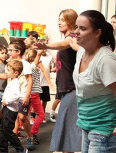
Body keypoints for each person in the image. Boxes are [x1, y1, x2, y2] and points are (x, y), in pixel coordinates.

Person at [73, 10, 116, 152]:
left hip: (106, 130)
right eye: (76, 27)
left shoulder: (105, 59)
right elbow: (67, 42)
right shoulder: (82, 50)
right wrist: (47, 46)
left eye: (83, 28)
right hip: (87, 125)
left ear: (97, 33)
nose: (76, 32)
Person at [34, 9, 82, 153]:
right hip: (66, 89)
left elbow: (66, 44)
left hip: (73, 89)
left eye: (62, 19)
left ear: (71, 21)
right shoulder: (69, 38)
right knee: (66, 130)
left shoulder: (73, 37)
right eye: (59, 19)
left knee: (67, 131)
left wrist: (47, 46)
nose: (59, 22)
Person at [0, 38, 34, 150]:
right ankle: (11, 137)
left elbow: (29, 80)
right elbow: (6, 75)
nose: (8, 53)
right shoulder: (9, 63)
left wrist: (27, 96)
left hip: (22, 95)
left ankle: (29, 137)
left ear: (18, 51)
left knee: (22, 117)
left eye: (10, 50)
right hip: (12, 97)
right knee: (13, 118)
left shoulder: (25, 64)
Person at [24, 48, 54, 145]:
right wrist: (39, 52)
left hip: (29, 93)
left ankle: (16, 133)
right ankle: (32, 133)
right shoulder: (31, 66)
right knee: (41, 115)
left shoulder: (26, 66)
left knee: (23, 116)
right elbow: (37, 58)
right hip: (34, 93)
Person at [0, 59, 27, 153]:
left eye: (9, 70)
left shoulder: (15, 82)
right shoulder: (12, 81)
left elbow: (16, 95)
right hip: (7, 109)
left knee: (7, 131)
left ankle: (21, 149)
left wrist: (7, 101)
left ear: (16, 72)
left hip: (10, 110)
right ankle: (3, 150)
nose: (6, 72)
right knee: (3, 130)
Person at [39, 48, 56, 123]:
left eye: (45, 48)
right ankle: (33, 116)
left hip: (45, 82)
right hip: (38, 82)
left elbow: (51, 69)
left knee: (45, 100)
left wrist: (56, 64)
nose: (43, 50)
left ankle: (42, 116)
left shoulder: (49, 57)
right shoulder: (37, 57)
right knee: (36, 100)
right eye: (41, 49)